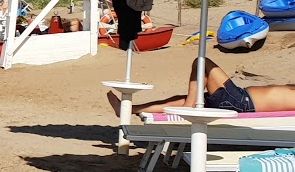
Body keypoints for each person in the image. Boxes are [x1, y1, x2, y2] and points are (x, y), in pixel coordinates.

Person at [118, 57, 295, 118]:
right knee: (187, 99)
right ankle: (129, 109)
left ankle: (188, 106)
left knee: (201, 62)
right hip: (240, 101)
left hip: (240, 102)